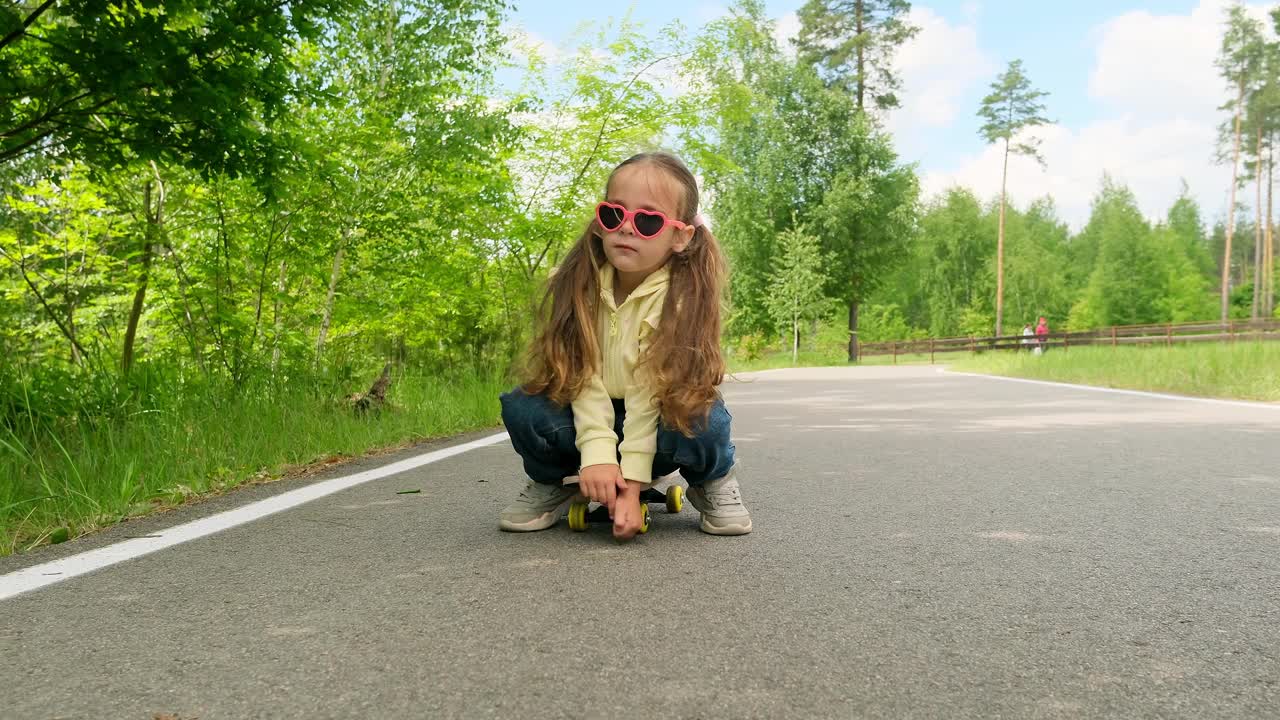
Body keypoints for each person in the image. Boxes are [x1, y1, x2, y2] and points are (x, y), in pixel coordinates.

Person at [497, 151, 752, 540]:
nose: (627, 228)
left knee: (705, 415)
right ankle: (551, 480)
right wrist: (598, 460)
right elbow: (580, 377)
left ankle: (713, 480)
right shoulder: (577, 286)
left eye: (648, 220)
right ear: (601, 224)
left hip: (660, 418)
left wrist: (632, 485)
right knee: (523, 406)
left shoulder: (679, 299)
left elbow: (649, 392)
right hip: (586, 418)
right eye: (614, 214)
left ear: (680, 236)